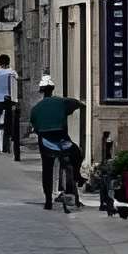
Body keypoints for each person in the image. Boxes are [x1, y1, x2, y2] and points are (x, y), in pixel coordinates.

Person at [29, 73, 83, 210]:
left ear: (42, 91)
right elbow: (76, 104)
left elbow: (35, 126)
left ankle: (48, 199)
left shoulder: (36, 108)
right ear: (52, 89)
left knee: (47, 168)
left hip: (45, 139)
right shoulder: (62, 102)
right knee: (76, 152)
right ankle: (77, 174)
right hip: (61, 137)